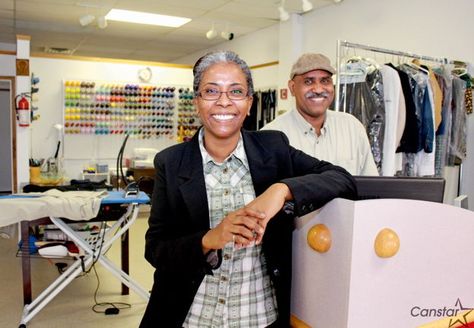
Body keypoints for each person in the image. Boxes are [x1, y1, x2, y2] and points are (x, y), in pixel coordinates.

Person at [139, 50, 357, 328]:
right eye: (211, 91)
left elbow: (341, 178)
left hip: (259, 317)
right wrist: (209, 239)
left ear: (249, 102)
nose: (224, 102)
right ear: (197, 102)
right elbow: (156, 249)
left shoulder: (274, 148)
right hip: (191, 316)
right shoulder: (171, 162)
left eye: (236, 91)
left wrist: (279, 191)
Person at [262, 53, 379, 176]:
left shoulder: (352, 128)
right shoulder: (271, 136)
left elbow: (370, 185)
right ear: (292, 87)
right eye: (308, 81)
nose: (318, 89)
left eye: (325, 81)